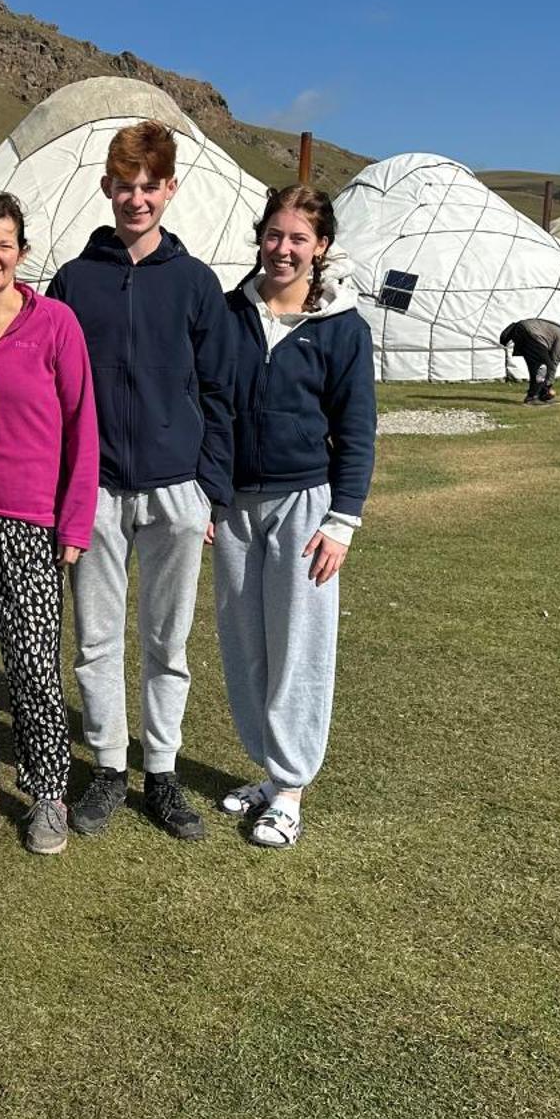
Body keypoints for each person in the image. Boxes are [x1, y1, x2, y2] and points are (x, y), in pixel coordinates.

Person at [45, 120, 235, 842]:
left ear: (170, 189)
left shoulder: (194, 283)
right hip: (94, 487)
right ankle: (105, 770)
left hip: (175, 487)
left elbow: (220, 392)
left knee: (168, 642)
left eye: (150, 186)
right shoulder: (74, 280)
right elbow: (55, 390)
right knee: (96, 640)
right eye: (125, 186)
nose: (137, 199)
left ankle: (162, 772)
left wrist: (208, 488)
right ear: (106, 188)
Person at [214, 187, 375, 849]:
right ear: (261, 237)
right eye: (274, 235)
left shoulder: (342, 327)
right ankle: (270, 769)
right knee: (245, 644)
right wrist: (208, 496)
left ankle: (291, 789)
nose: (283, 249)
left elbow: (358, 430)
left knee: (301, 647)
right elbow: (211, 406)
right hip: (234, 506)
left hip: (305, 502)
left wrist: (343, 521)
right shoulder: (229, 313)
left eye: (298, 239)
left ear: (321, 247)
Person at [0, 193, 99, 856]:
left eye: (3, 244)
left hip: (32, 520)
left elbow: (82, 425)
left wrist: (75, 522)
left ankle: (47, 794)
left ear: (22, 253)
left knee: (34, 666)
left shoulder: (55, 323)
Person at [499, 317, 560, 405]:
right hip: (530, 333)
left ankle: (540, 395)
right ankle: (532, 397)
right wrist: (548, 385)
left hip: (525, 329)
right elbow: (553, 363)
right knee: (542, 366)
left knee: (542, 364)